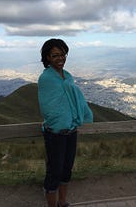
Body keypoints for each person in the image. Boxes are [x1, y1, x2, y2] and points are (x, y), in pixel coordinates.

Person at [38, 38, 93, 207]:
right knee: (54, 172)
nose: (60, 58)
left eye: (62, 54)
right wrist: (60, 123)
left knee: (67, 169)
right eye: (55, 55)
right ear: (47, 57)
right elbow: (49, 108)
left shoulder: (66, 76)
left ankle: (63, 202)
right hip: (55, 133)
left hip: (71, 130)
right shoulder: (46, 78)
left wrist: (72, 121)